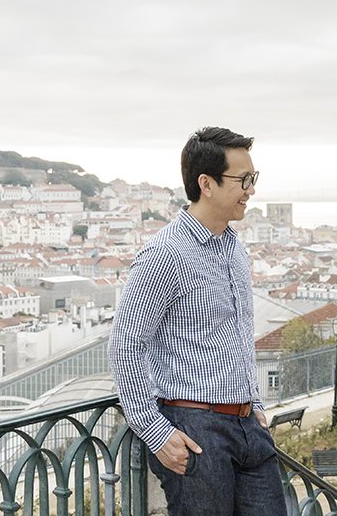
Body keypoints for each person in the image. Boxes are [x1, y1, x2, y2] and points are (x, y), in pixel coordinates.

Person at [108, 127, 281, 516]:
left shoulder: (234, 247)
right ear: (207, 183)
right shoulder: (164, 254)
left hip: (246, 426)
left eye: (253, 178)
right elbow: (125, 344)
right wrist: (154, 432)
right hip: (195, 429)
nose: (251, 189)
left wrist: (253, 403)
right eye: (243, 180)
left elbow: (235, 335)